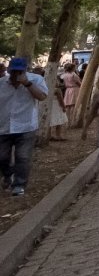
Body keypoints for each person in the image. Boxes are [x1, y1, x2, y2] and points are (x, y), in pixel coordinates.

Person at [0, 58, 48, 196]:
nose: (16, 74)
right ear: (9, 70)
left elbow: (42, 97)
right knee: (2, 157)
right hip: (4, 126)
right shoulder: (2, 83)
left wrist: (27, 84)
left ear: (25, 70)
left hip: (26, 126)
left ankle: (19, 184)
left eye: (20, 71)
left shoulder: (36, 80)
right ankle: (8, 175)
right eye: (14, 71)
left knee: (23, 157)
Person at [62, 61, 82, 128]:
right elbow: (79, 83)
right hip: (74, 89)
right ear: (72, 68)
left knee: (68, 107)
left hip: (68, 90)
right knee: (73, 106)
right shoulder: (74, 75)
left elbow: (64, 83)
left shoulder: (64, 75)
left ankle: (67, 122)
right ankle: (72, 123)